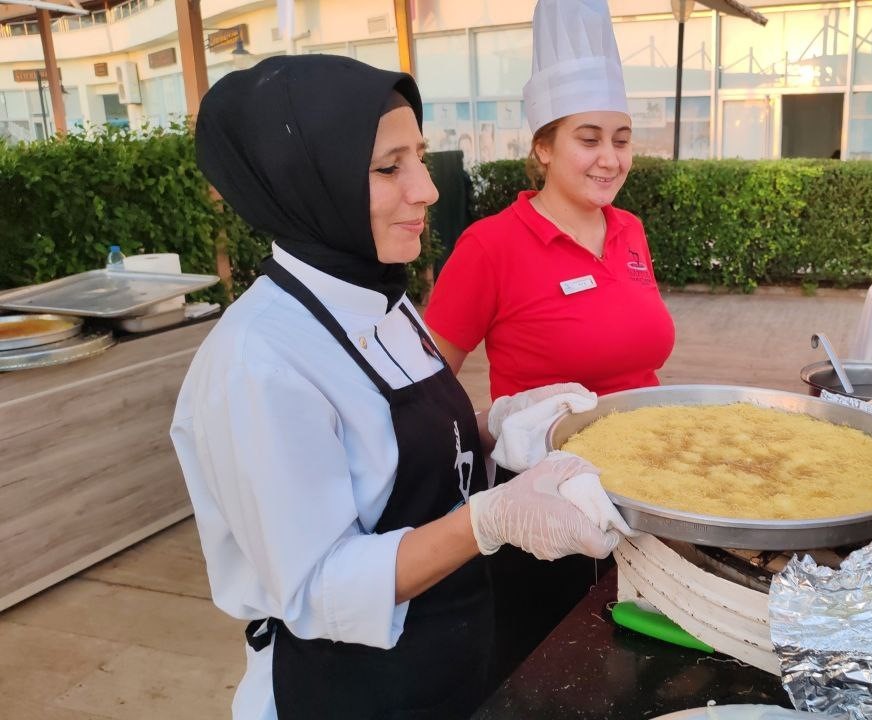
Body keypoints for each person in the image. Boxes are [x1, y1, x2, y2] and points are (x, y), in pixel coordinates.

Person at [171, 55, 625, 720]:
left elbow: (388, 450)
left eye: (420, 156)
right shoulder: (256, 363)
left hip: (450, 657)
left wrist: (497, 425)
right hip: (350, 688)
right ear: (309, 182)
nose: (426, 189)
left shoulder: (379, 297)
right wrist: (487, 520)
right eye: (390, 167)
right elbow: (319, 585)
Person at [423, 0, 675, 680]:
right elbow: (425, 382)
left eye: (621, 138)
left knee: (648, 668)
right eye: (588, 138)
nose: (609, 158)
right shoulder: (491, 246)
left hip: (650, 487)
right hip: (548, 504)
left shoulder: (630, 232)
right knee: (558, 677)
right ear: (542, 146)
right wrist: (479, 432)